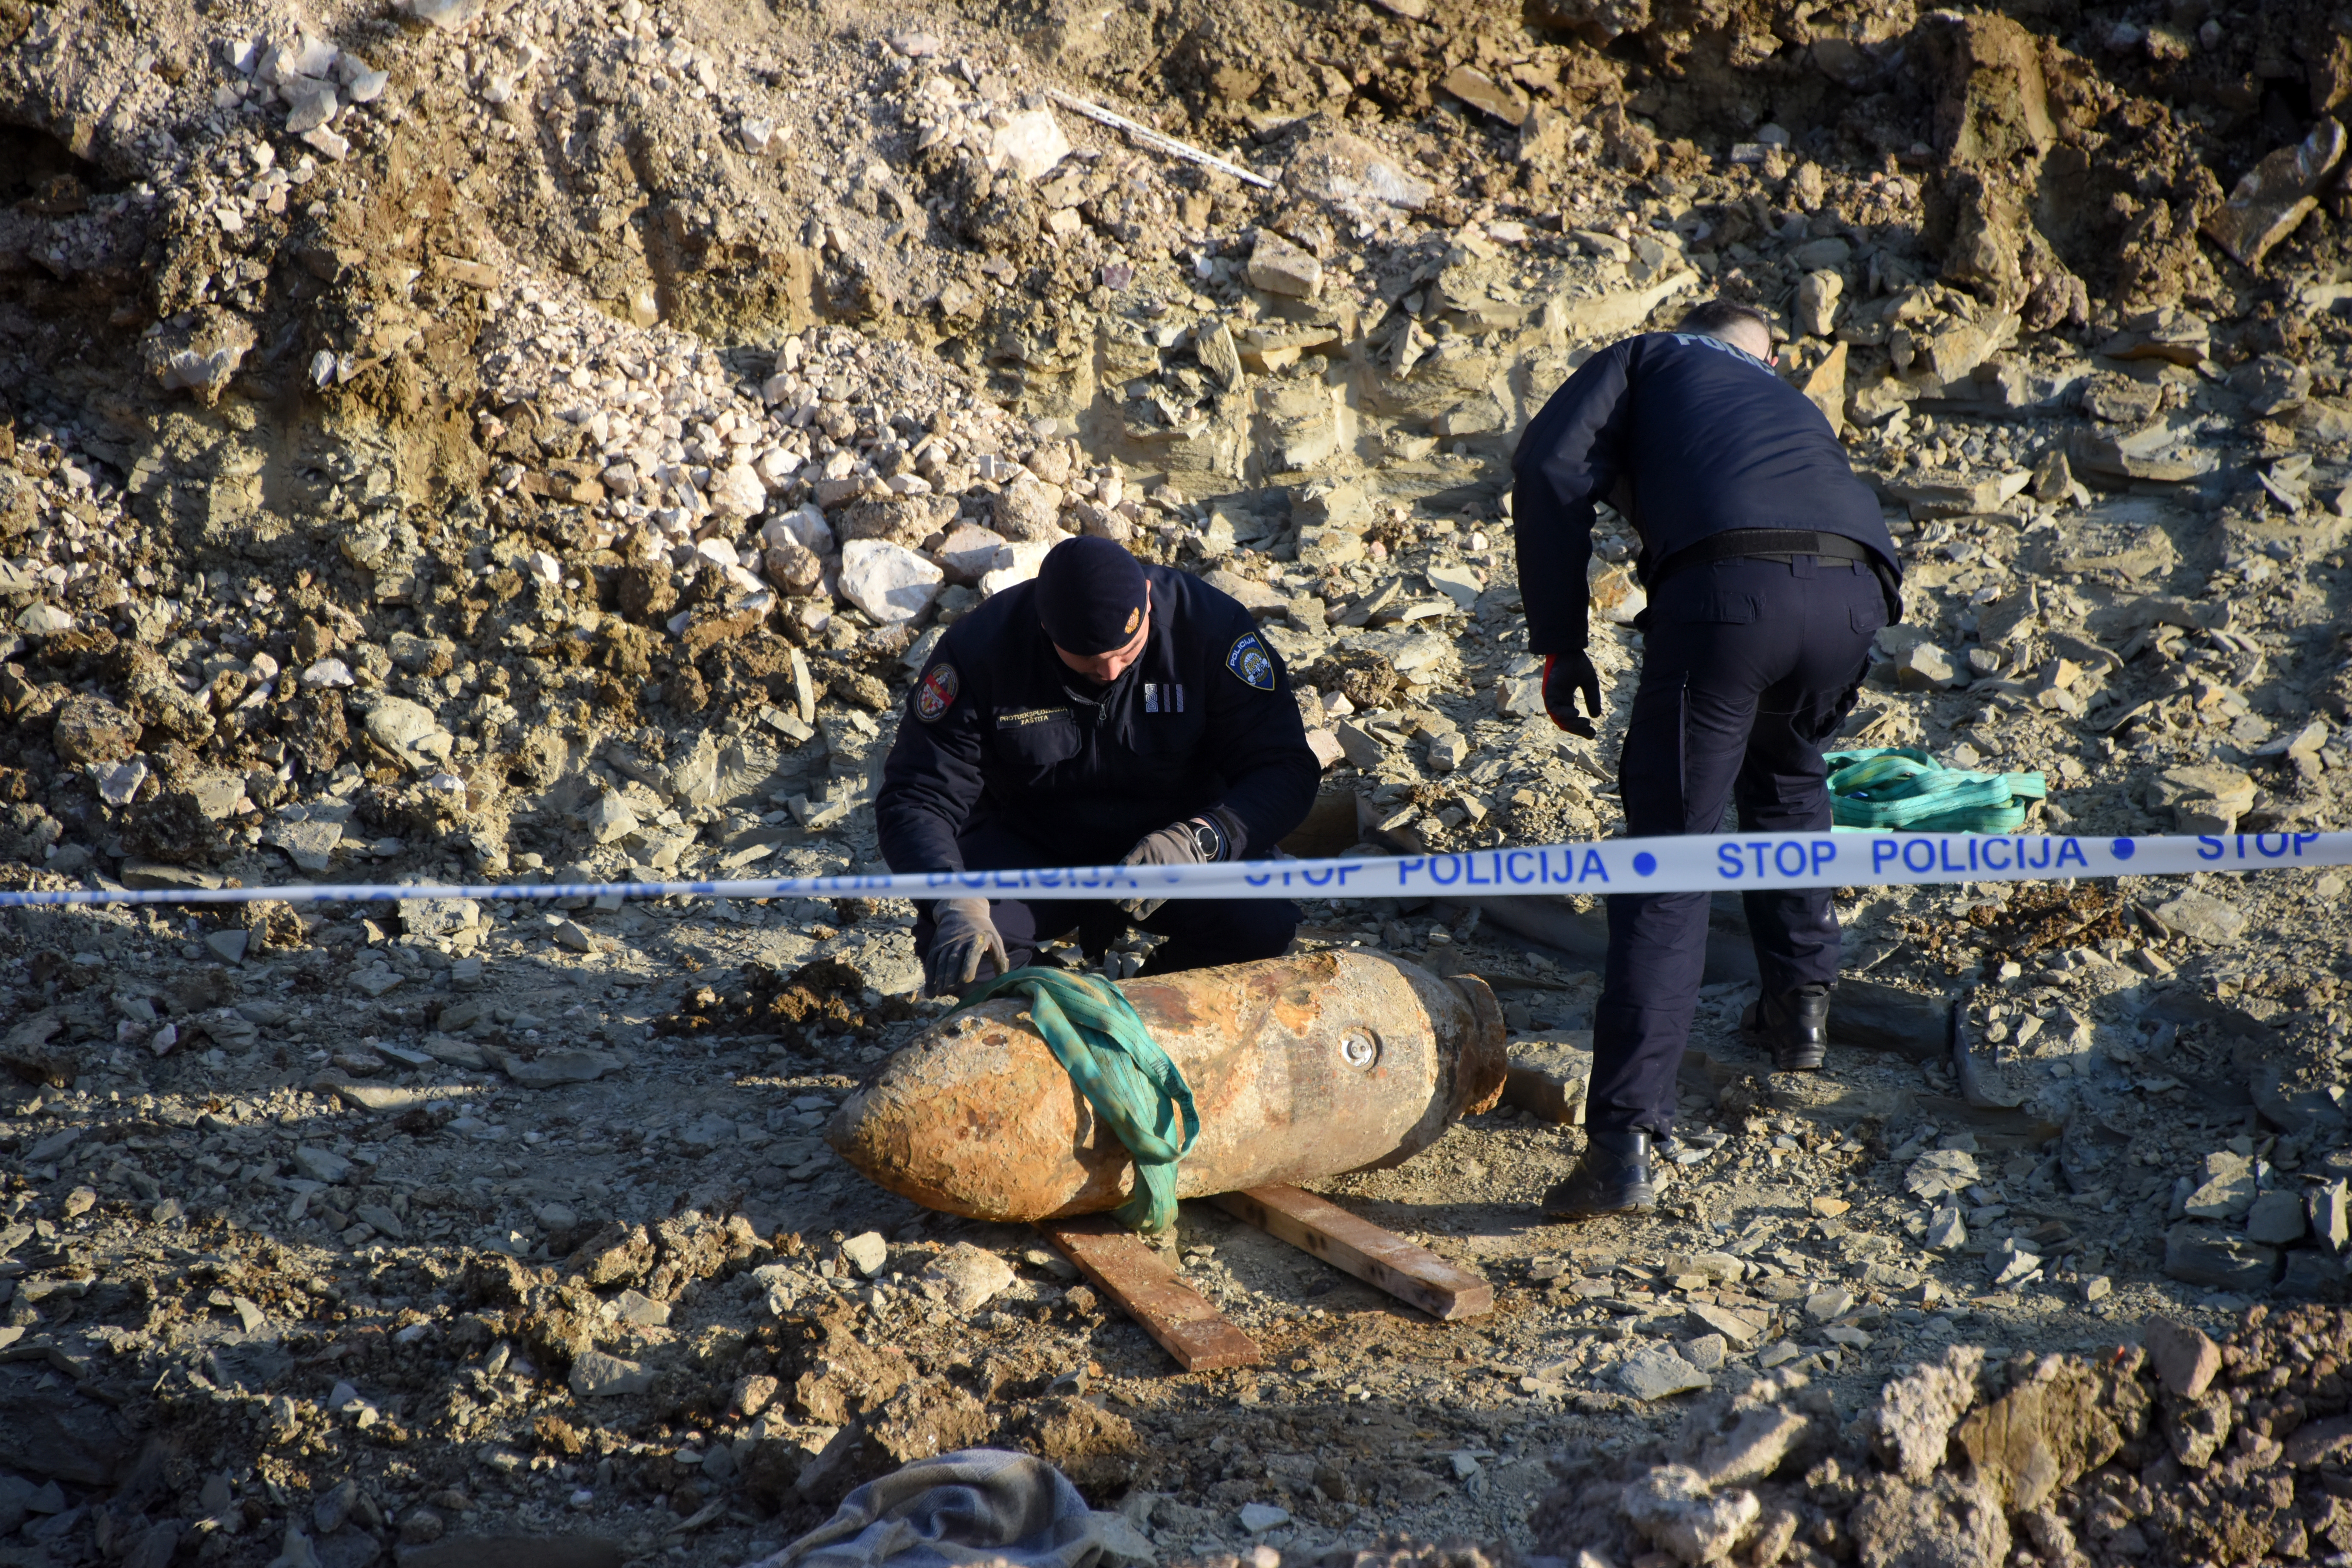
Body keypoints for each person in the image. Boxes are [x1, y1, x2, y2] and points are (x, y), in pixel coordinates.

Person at [1511, 298, 1905, 1219]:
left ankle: (1622, 1144)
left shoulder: (1651, 354)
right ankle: (1798, 1013)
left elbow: (1548, 464)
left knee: (1672, 856)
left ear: (1695, 331)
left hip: (1731, 593)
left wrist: (1560, 639)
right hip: (1856, 593)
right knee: (1788, 773)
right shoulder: (1784, 400)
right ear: (1763, 354)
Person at [877, 535, 1321, 995]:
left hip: (1174, 846)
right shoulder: (982, 650)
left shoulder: (1209, 630)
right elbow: (917, 796)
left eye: (1127, 653)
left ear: (1147, 598)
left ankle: (1156, 1002)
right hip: (1036, 846)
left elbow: (1285, 765)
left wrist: (1205, 839)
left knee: (1260, 922)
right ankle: (1063, 1007)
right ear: (1045, 626)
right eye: (1089, 664)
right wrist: (953, 899)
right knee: (963, 954)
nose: (1110, 673)